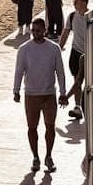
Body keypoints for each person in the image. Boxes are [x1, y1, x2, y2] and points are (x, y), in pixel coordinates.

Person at [11, 16, 66, 172]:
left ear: (44, 31)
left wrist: (62, 92)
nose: (35, 33)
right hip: (31, 94)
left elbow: (60, 72)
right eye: (33, 30)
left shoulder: (54, 48)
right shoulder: (24, 49)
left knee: (50, 126)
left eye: (38, 30)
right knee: (32, 127)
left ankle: (48, 156)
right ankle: (35, 156)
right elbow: (19, 71)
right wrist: (16, 90)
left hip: (49, 94)